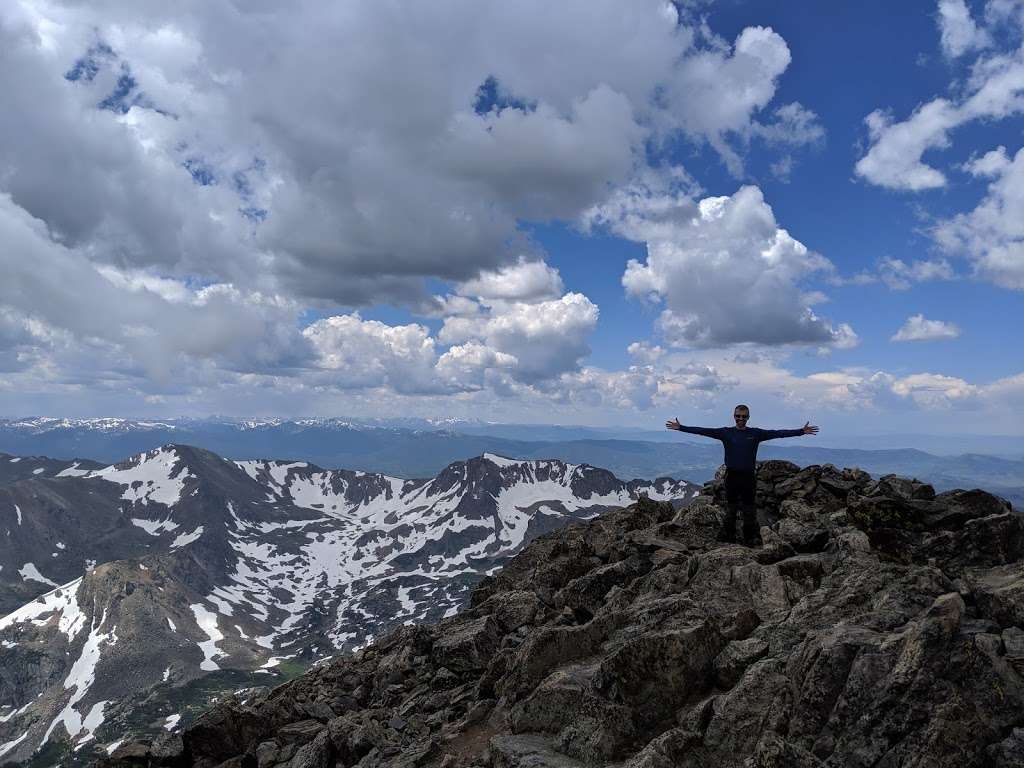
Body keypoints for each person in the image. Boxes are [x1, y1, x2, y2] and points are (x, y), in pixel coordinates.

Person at [666, 405, 819, 546]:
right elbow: (704, 431)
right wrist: (681, 428)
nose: (740, 419)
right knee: (731, 509)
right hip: (732, 476)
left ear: (748, 418)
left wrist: (800, 431)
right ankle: (729, 539)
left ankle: (749, 539)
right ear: (734, 416)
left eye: (743, 416)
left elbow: (778, 433)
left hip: (748, 477)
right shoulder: (726, 433)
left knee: (749, 510)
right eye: (738, 416)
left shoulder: (756, 433)